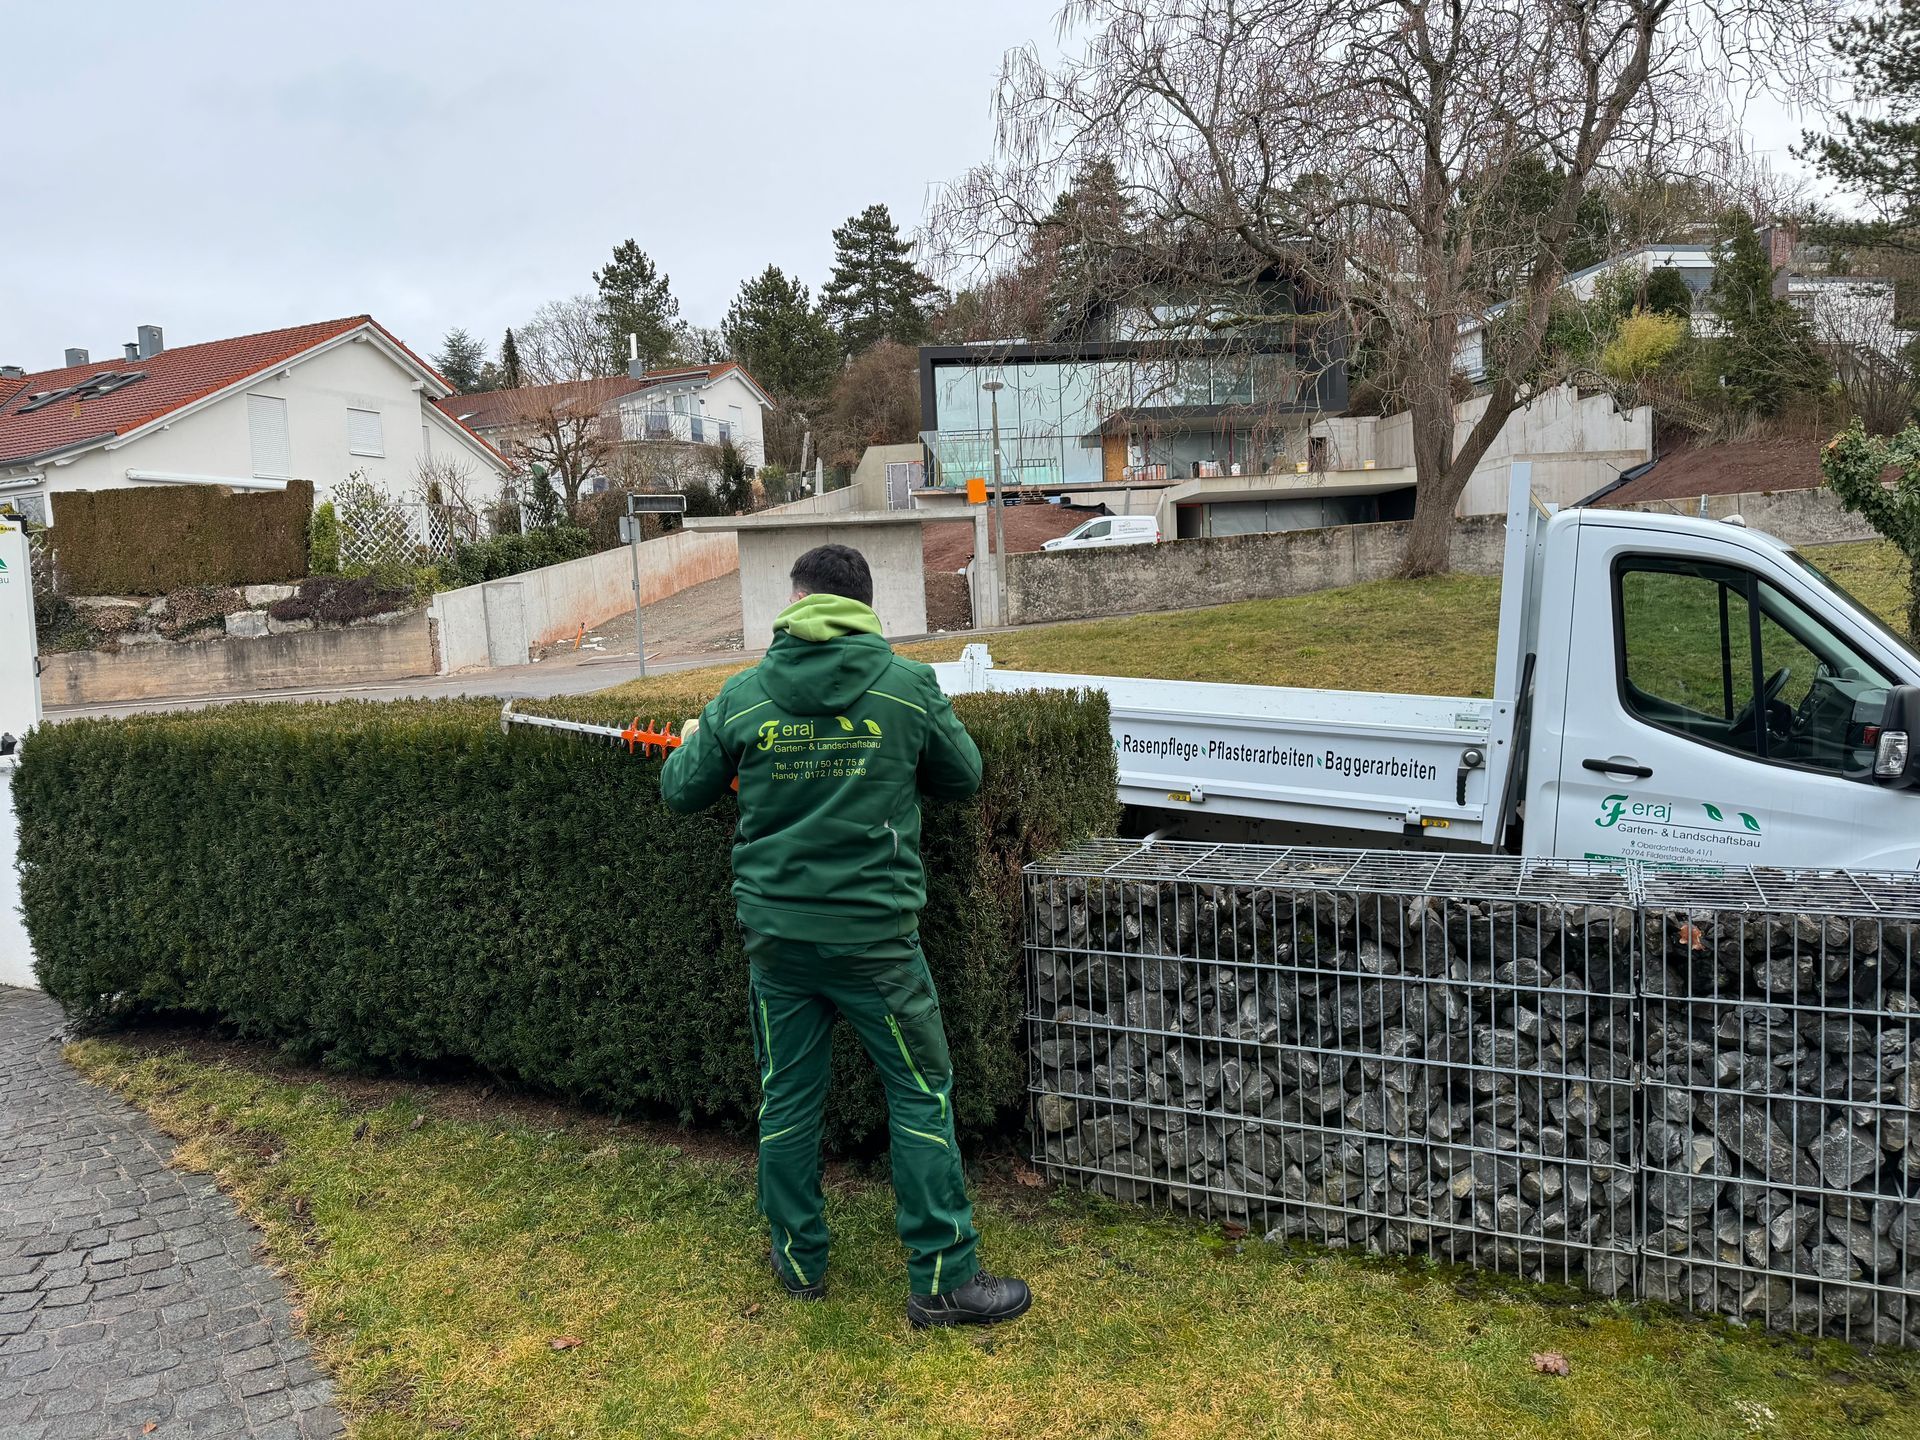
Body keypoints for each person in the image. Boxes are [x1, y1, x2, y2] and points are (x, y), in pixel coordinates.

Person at [660, 543, 1031, 1329]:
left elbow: (681, 790)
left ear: (794, 602)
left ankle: (798, 1263)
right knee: (920, 1094)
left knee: (787, 1097)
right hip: (877, 945)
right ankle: (940, 1281)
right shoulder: (906, 688)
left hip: (779, 945)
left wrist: (700, 735)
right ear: (867, 608)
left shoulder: (744, 696)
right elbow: (962, 777)